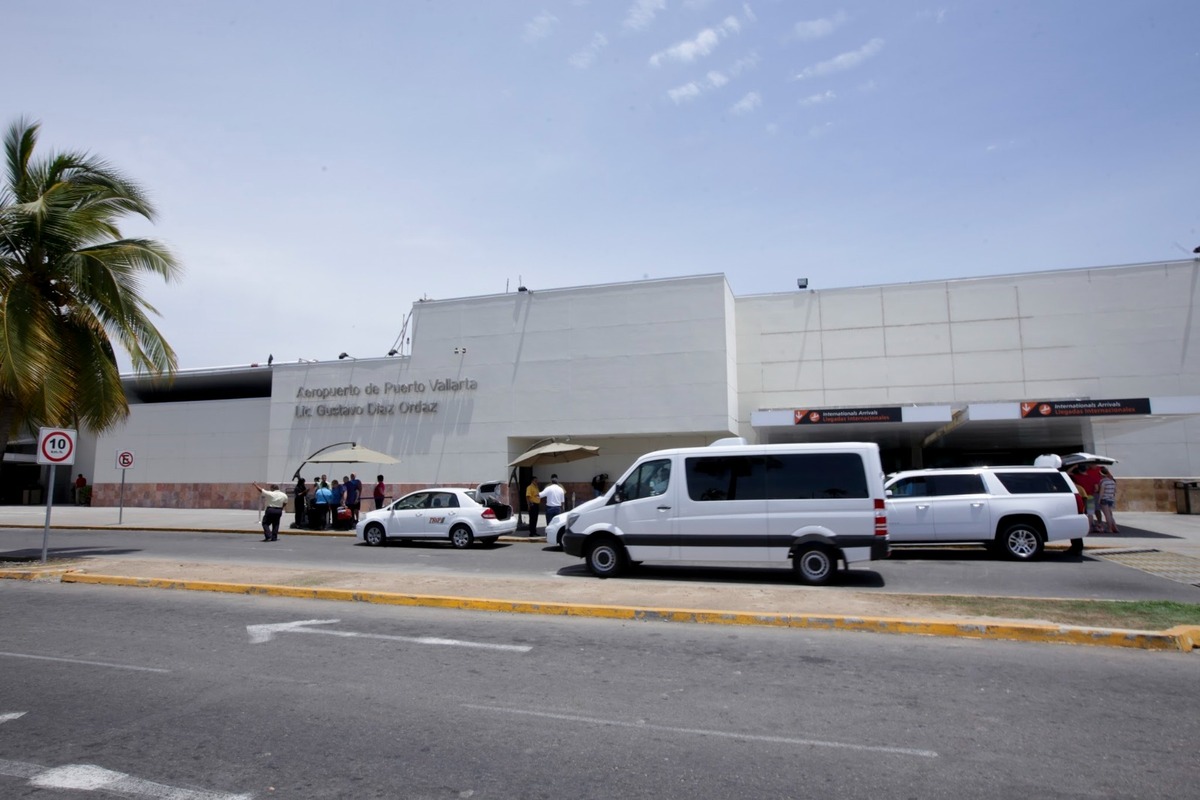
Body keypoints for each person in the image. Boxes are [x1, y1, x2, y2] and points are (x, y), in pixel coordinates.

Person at [1098, 467, 1119, 533]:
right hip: (1111, 499)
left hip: (1104, 499)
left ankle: (1109, 529)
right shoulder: (1112, 481)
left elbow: (1101, 491)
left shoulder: (1103, 481)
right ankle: (1115, 528)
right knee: (1110, 514)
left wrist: (1099, 500)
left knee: (1107, 515)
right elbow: (1115, 491)